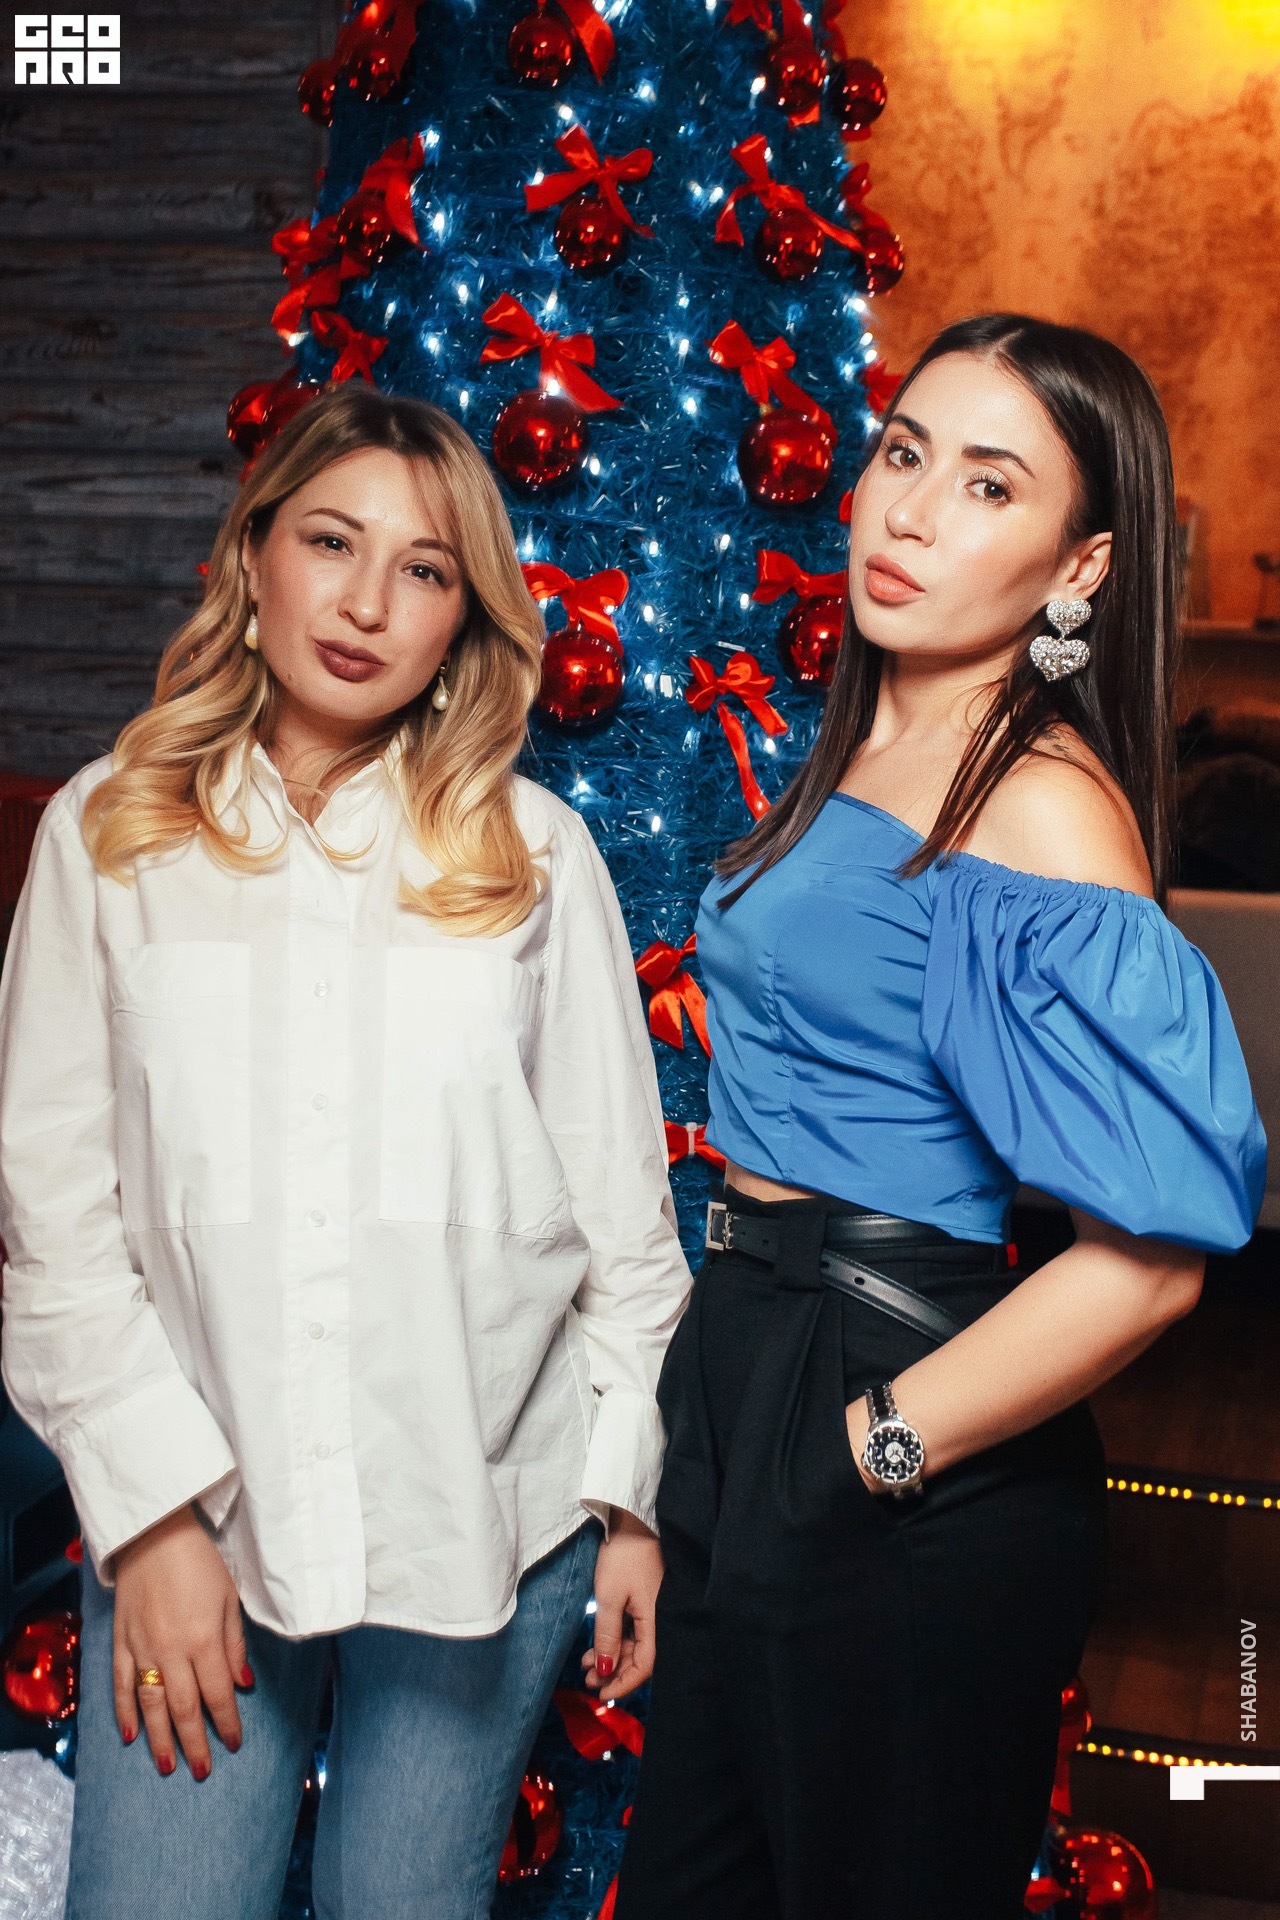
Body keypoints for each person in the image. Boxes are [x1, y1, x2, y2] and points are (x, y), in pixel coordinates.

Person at [607, 315, 1266, 1920]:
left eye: (988, 484)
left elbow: (1152, 1263)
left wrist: (869, 1452)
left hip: (894, 1394)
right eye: (904, 453)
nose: (908, 510)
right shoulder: (871, 738)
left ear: (1079, 569)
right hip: (750, 1350)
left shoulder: (1037, 804)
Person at [0, 384, 689, 1920]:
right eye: (330, 542)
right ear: (255, 558)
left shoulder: (537, 859)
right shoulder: (109, 837)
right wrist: (153, 1523)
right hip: (196, 1523)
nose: (368, 603)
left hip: (488, 1525)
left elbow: (620, 1224)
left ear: (464, 619)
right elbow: (54, 1227)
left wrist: (630, 1500)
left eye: (424, 569)